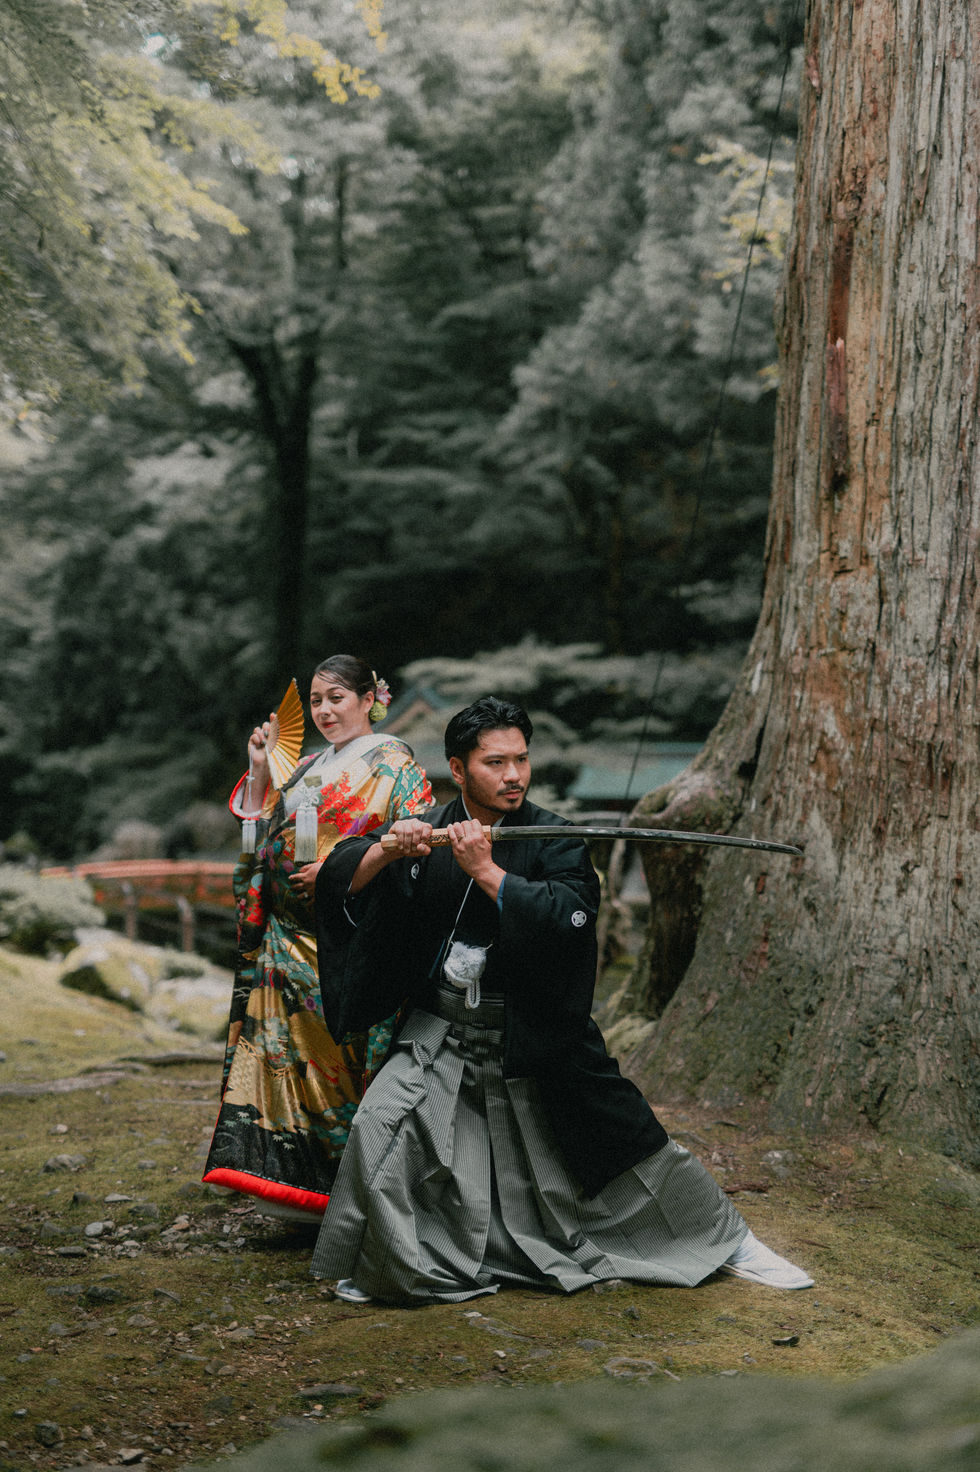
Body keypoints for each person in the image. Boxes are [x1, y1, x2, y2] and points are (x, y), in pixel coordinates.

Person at [310, 695, 813, 1303]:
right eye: (495, 762)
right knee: (380, 1127)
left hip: (530, 1031)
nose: (514, 775)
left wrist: (487, 871)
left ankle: (726, 1240)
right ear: (459, 767)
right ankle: (400, 1263)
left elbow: (570, 918)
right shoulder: (428, 831)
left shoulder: (557, 841)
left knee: (625, 1143)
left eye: (521, 759)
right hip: (438, 1033)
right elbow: (341, 879)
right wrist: (391, 848)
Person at [202, 655, 433, 1222]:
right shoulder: (304, 766)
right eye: (316, 701)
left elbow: (414, 837)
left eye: (337, 698)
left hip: (345, 938)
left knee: (341, 1066)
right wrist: (259, 770)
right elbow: (258, 835)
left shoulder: (393, 758)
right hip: (285, 939)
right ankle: (287, 1184)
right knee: (281, 1060)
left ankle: (348, 1190)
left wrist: (339, 870)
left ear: (367, 699)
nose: (325, 710)